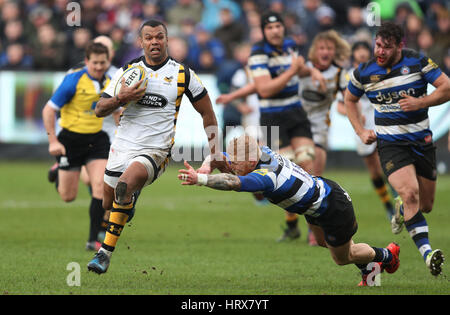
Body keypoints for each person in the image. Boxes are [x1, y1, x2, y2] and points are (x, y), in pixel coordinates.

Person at [87, 20, 224, 274]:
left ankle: (103, 254)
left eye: (159, 37)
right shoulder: (128, 71)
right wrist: (122, 97)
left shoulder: (183, 74)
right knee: (109, 202)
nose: (154, 42)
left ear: (167, 39)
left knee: (124, 186)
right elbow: (99, 109)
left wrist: (215, 152)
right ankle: (130, 198)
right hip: (123, 146)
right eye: (148, 38)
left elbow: (208, 113)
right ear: (141, 42)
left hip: (156, 150)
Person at [178, 134, 400, 286]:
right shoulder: (259, 153)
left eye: (236, 163)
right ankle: (371, 273)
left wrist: (201, 179)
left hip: (332, 206)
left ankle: (388, 255)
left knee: (343, 257)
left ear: (252, 160)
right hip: (317, 203)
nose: (233, 167)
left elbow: (231, 182)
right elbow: (221, 156)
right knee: (325, 242)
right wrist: (208, 164)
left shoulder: (266, 178)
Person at [344, 22, 450, 276]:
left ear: (400, 46)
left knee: (426, 205)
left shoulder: (418, 62)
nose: (380, 51)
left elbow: (446, 88)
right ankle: (428, 254)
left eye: (387, 47)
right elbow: (349, 99)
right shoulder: (364, 72)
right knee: (410, 193)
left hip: (421, 142)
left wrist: (421, 102)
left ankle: (402, 209)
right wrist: (360, 131)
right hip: (390, 145)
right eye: (377, 45)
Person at [216, 11, 326, 243]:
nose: (275, 31)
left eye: (278, 26)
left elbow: (300, 69)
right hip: (273, 118)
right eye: (270, 28)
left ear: (283, 28)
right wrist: (293, 70)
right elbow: (264, 89)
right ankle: (291, 225)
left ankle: (312, 229)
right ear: (265, 32)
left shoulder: (290, 46)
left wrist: (312, 70)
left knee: (309, 165)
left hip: (296, 113)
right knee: (287, 172)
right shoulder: (257, 54)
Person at [47, 35, 122, 250]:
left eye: (103, 61)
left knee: (100, 185)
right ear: (87, 60)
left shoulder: (115, 78)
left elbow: (118, 112)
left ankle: (93, 239)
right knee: (68, 196)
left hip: (98, 139)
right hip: (71, 139)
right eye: (95, 62)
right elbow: (49, 109)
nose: (99, 66)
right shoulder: (74, 78)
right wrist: (53, 140)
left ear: (109, 58)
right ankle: (58, 171)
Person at [337, 41, 395, 221]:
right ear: (353, 53)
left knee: (387, 160)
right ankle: (387, 205)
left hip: (380, 118)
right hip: (360, 125)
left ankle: (399, 197)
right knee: (374, 169)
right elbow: (341, 104)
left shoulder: (378, 70)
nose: (361, 53)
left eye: (364, 50)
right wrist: (351, 114)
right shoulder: (346, 76)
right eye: (358, 50)